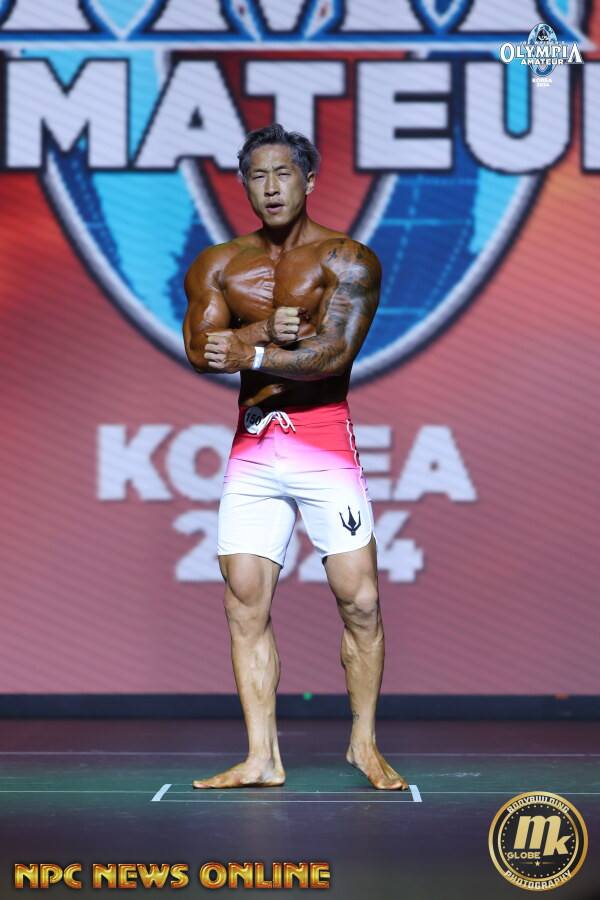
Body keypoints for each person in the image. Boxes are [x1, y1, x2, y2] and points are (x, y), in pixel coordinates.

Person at [182, 123, 408, 791]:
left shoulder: (349, 259)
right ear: (244, 185)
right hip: (255, 442)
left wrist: (249, 349)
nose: (272, 187)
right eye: (259, 176)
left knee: (360, 600)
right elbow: (200, 350)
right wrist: (263, 331)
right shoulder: (218, 264)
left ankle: (363, 744)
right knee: (243, 601)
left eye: (284, 173)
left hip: (321, 438)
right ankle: (263, 757)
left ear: (308, 180)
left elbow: (332, 355)